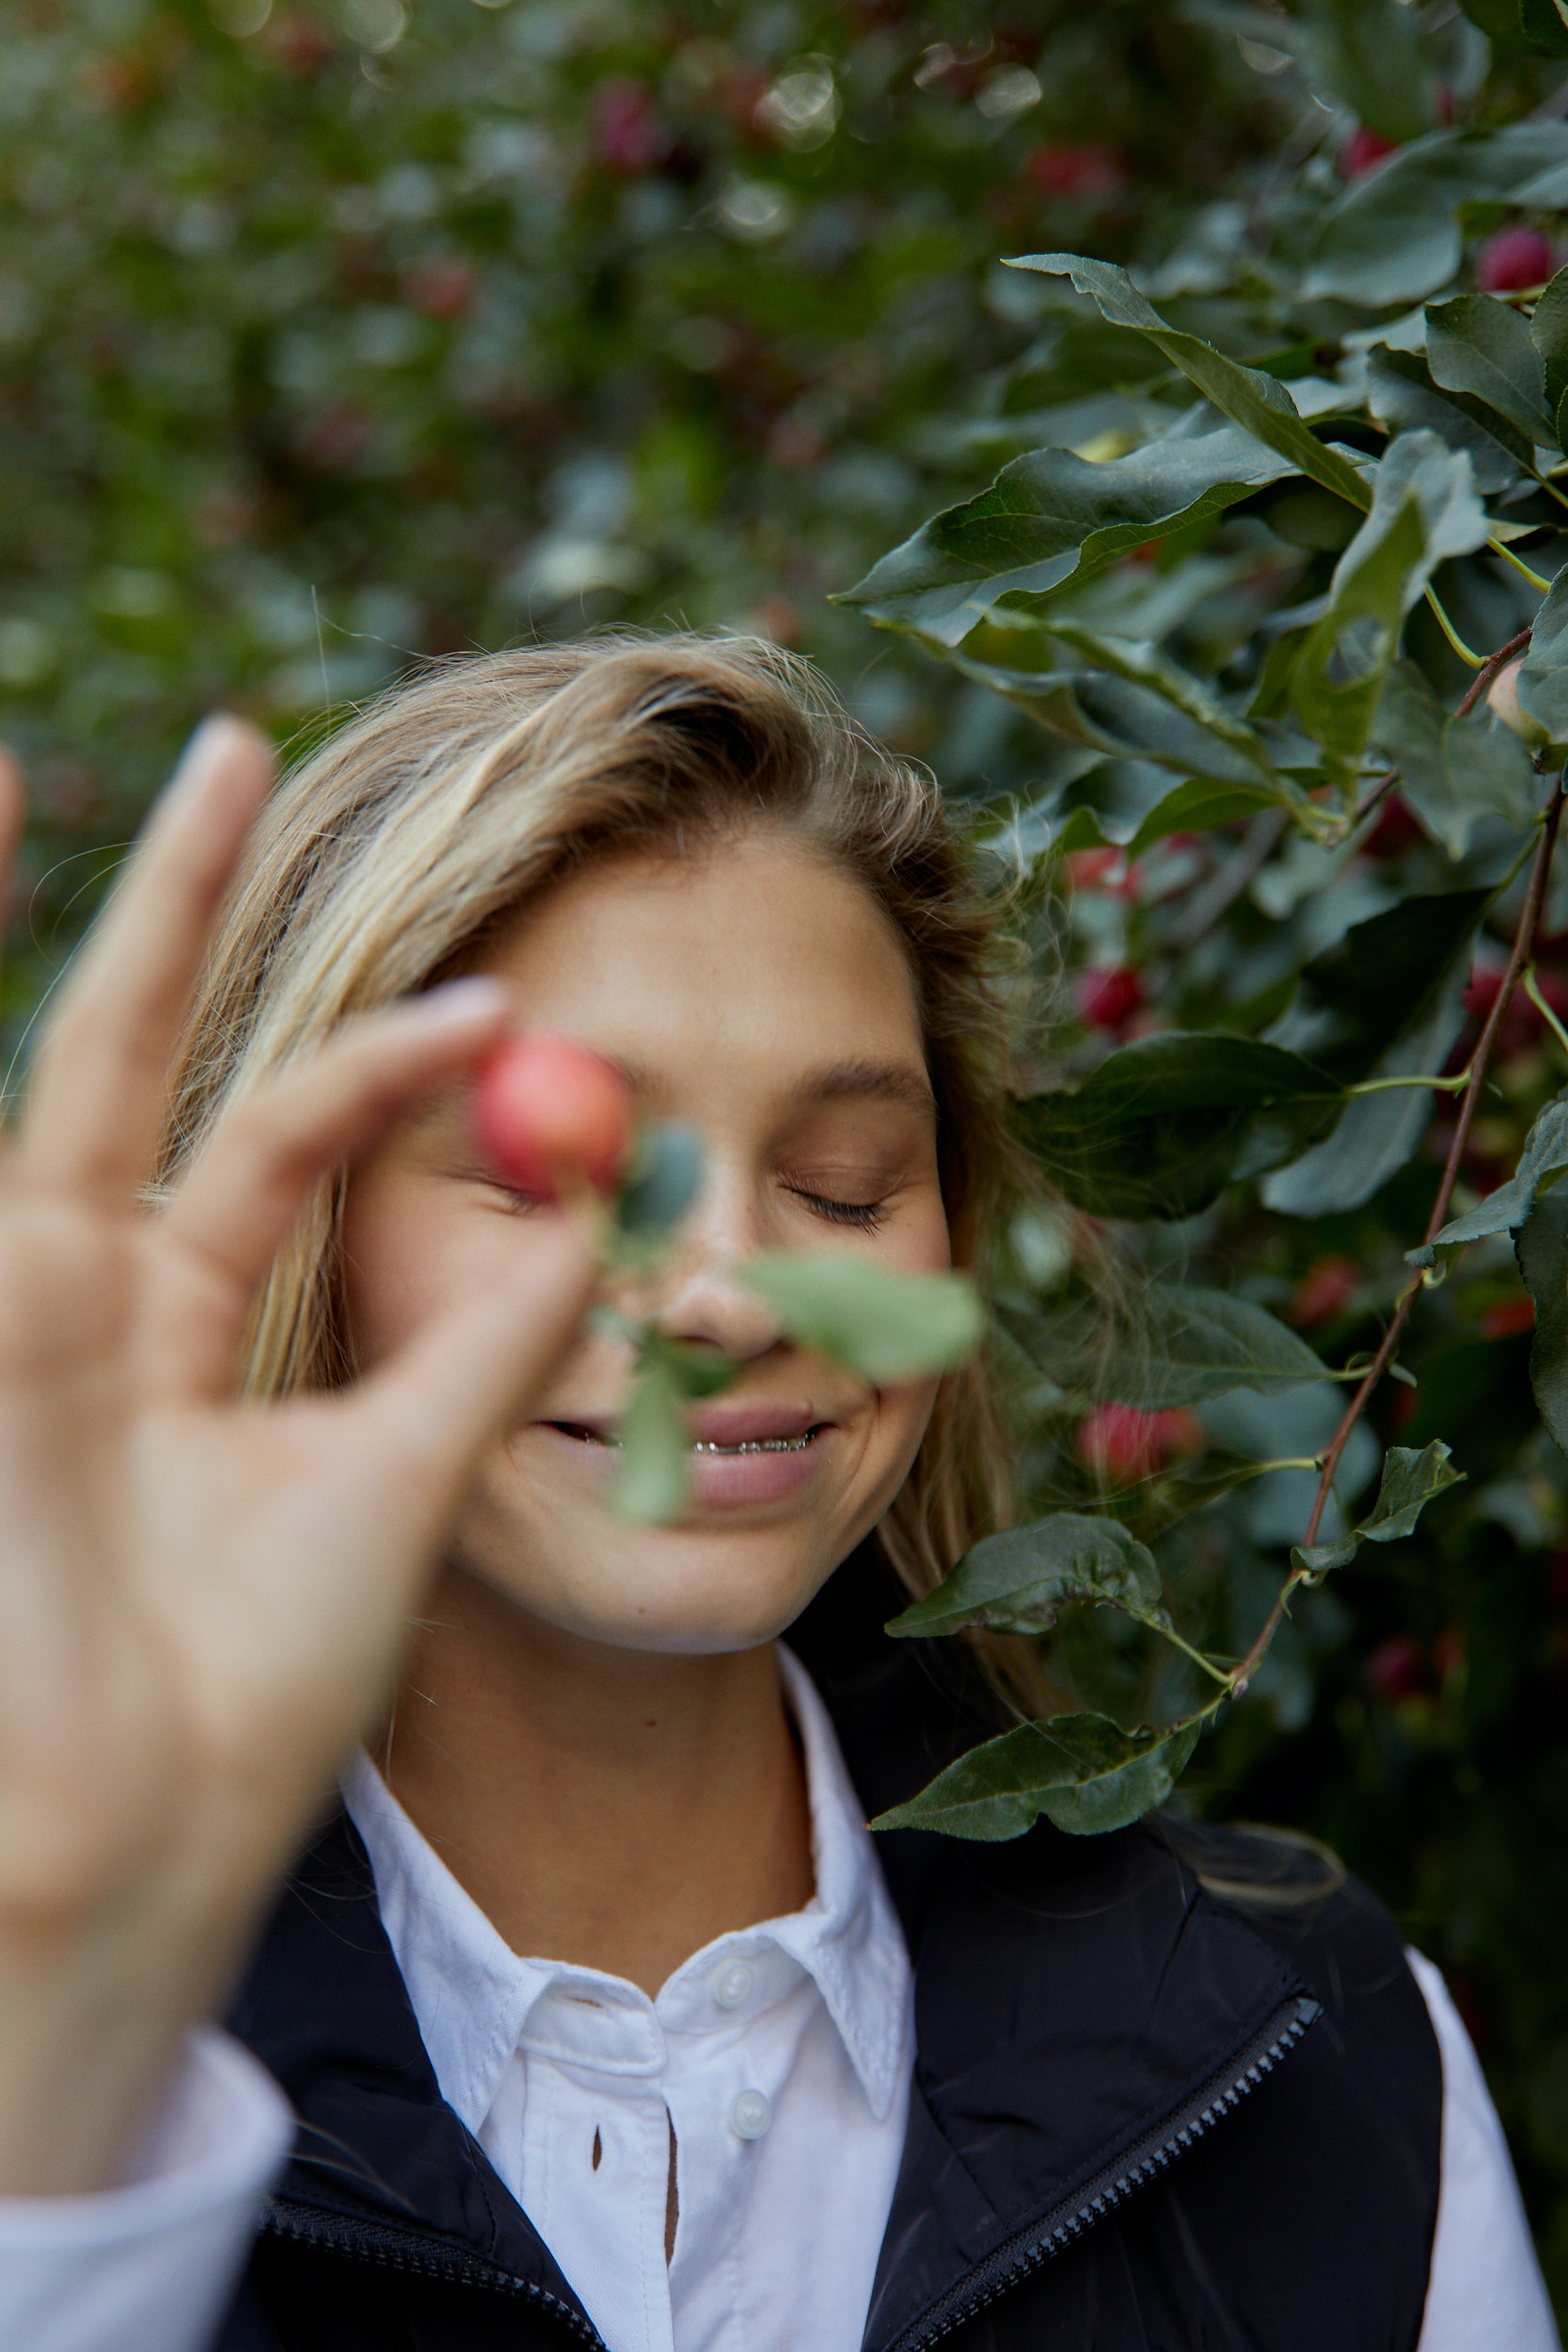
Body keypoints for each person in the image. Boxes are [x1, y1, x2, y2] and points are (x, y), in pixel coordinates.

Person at [0, 634, 1553, 2352]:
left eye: (842, 1182)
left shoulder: (1321, 2055)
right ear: (310, 1227)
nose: (729, 1292)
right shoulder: (51, 2038)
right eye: (562, 1171)